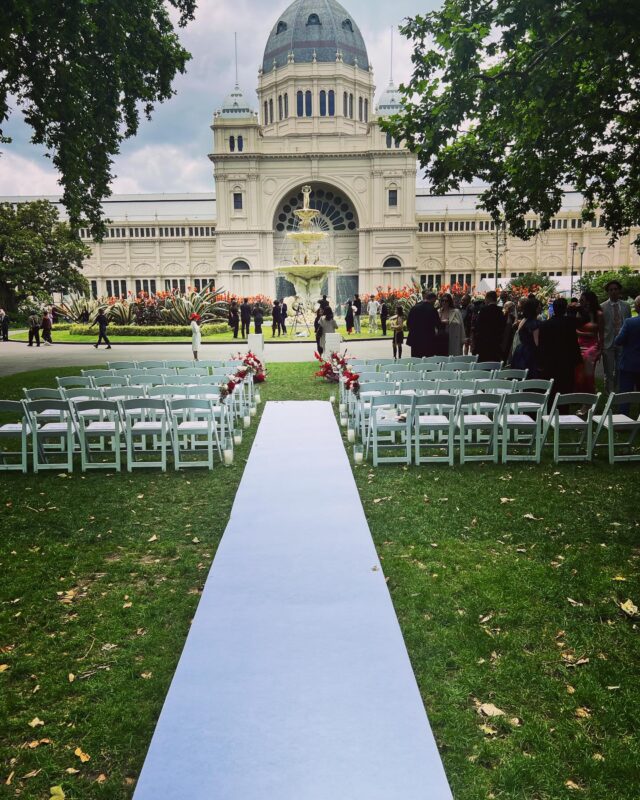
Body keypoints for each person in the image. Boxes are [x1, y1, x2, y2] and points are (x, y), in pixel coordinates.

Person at [538, 297, 582, 396]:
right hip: (567, 359)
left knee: (552, 388)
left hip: (550, 360)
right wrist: (577, 308)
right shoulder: (571, 322)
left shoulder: (545, 325)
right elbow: (585, 319)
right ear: (565, 308)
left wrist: (541, 361)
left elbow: (542, 345)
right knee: (566, 388)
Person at [601, 279, 631, 393]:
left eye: (615, 289)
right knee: (608, 370)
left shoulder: (626, 306)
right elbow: (601, 327)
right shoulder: (602, 307)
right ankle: (609, 392)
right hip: (608, 342)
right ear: (608, 292)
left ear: (619, 291)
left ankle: (618, 391)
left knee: (620, 368)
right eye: (611, 290)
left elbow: (627, 323)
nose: (613, 291)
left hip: (622, 342)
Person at [574, 291, 604, 393]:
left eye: (582, 300)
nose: (580, 302)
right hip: (580, 344)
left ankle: (590, 393)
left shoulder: (599, 314)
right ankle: (582, 393)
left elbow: (602, 333)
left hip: (592, 346)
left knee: (588, 369)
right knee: (578, 371)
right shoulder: (580, 313)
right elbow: (575, 330)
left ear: (589, 301)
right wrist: (585, 334)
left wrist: (600, 349)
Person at [614, 295, 640, 402]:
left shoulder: (629, 322)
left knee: (624, 396)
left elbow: (618, 341)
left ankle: (623, 417)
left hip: (628, 364)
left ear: (637, 307)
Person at [510, 298, 540, 377]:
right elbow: (536, 342)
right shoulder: (534, 323)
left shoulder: (524, 320)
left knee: (519, 375)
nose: (540, 308)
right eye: (539, 307)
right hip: (530, 352)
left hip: (521, 350)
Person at [473, 290, 506, 362]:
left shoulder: (483, 310)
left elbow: (478, 325)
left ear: (488, 298)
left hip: (483, 343)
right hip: (495, 343)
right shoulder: (500, 311)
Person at [406, 290, 441, 358]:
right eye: (434, 301)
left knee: (416, 360)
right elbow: (438, 324)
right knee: (427, 361)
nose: (434, 303)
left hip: (415, 339)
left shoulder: (415, 307)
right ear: (432, 299)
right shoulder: (432, 309)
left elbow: (408, 323)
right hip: (428, 340)